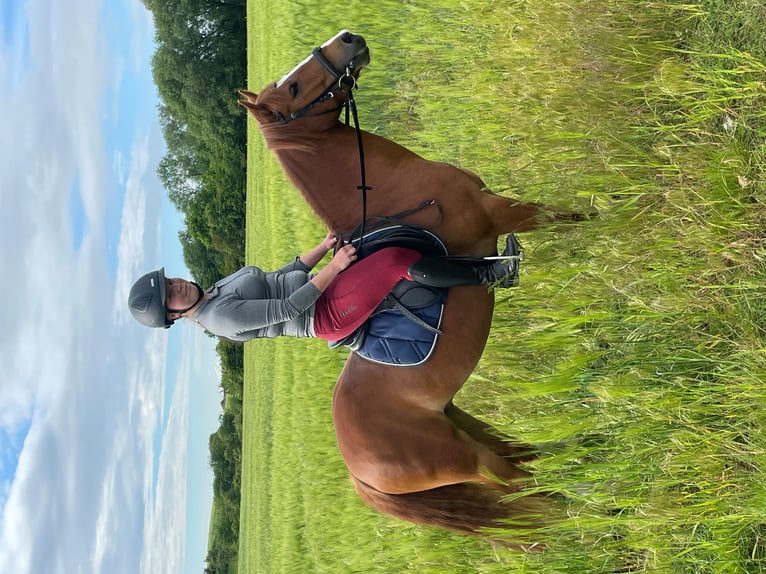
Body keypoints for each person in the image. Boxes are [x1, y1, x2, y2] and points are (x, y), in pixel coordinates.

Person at [127, 232, 521, 343]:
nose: (177, 285)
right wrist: (334, 266)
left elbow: (278, 277)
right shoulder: (221, 317)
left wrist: (325, 246)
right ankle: (496, 274)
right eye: (171, 295)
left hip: (319, 287)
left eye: (171, 281)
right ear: (174, 316)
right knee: (394, 262)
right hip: (323, 313)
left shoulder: (213, 290)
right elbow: (287, 309)